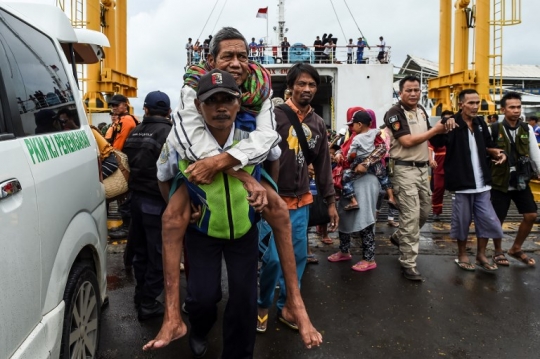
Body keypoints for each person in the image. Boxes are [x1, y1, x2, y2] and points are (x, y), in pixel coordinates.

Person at [146, 28, 322, 353]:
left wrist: (262, 192)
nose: (237, 63)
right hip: (203, 230)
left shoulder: (251, 127)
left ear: (239, 103)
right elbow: (163, 173)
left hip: (244, 229)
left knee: (243, 300)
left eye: (242, 56)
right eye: (228, 56)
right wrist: (180, 202)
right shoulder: (182, 135)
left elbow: (273, 155)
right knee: (201, 297)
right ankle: (198, 328)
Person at [257, 63, 338, 332]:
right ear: (290, 86)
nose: (307, 89)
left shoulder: (317, 123)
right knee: (273, 260)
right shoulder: (275, 116)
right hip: (273, 201)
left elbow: (324, 164)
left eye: (312, 85)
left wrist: (330, 201)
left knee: (299, 257)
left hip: (302, 201)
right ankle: (262, 302)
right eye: (301, 84)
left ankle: (288, 307)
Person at [430, 89, 507, 271]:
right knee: (462, 221)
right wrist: (443, 123)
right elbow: (436, 141)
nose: (475, 107)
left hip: (482, 183)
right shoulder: (452, 123)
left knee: (487, 220)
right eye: (471, 103)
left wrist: (497, 152)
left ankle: (481, 254)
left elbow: (489, 145)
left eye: (477, 103)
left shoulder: (480, 122)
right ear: (461, 104)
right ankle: (462, 254)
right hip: (462, 184)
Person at [384, 75, 450, 281]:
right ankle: (408, 263)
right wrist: (434, 130)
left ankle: (399, 237)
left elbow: (429, 139)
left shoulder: (421, 110)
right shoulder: (394, 113)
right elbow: (406, 141)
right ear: (400, 92)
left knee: (424, 212)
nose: (413, 94)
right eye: (408, 90)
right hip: (404, 170)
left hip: (423, 170)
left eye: (416, 90)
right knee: (411, 216)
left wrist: (443, 128)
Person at [122, 91, 172, 320]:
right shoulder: (170, 133)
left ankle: (140, 293)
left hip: (136, 200)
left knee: (141, 252)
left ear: (146, 109)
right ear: (169, 111)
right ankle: (149, 302)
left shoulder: (133, 132)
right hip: (158, 201)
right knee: (160, 255)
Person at [328, 108, 386, 272]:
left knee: (366, 217)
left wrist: (366, 163)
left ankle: (369, 258)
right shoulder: (352, 136)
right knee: (344, 215)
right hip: (350, 181)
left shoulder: (373, 135)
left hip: (366, 180)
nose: (351, 127)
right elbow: (344, 149)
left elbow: (382, 149)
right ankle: (344, 250)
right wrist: (339, 153)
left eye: (353, 124)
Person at [489, 92, 540, 267]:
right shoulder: (494, 129)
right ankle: (497, 251)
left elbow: (535, 154)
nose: (516, 110)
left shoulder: (527, 129)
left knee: (531, 214)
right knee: (498, 219)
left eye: (518, 107)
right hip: (500, 181)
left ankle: (516, 248)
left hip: (520, 180)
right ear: (503, 109)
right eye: (512, 107)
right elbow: (485, 153)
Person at [341, 110, 398, 212]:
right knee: (384, 177)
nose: (351, 127)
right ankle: (391, 197)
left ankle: (353, 200)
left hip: (360, 164)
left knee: (345, 177)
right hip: (377, 165)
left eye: (352, 124)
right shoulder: (374, 132)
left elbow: (351, 153)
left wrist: (352, 159)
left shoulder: (356, 138)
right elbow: (379, 132)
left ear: (359, 124)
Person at [429, 110, 453, 221]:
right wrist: (431, 159)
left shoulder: (457, 133)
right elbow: (430, 147)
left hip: (454, 166)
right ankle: (436, 212)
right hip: (440, 167)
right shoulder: (436, 135)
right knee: (438, 189)